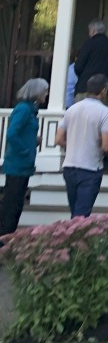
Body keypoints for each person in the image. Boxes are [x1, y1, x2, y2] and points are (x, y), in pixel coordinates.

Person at [55, 73, 108, 218]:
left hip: (69, 167)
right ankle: (75, 240)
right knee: (81, 217)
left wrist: (74, 144)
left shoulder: (72, 109)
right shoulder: (105, 112)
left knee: (75, 212)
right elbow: (106, 147)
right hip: (90, 168)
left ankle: (70, 239)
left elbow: (58, 139)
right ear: (104, 90)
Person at [0, 78, 47, 240]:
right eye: (44, 91)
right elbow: (12, 134)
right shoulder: (23, 109)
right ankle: (3, 240)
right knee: (11, 206)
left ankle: (7, 239)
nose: (46, 94)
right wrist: (26, 151)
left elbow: (22, 133)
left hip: (24, 165)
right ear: (36, 92)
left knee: (17, 205)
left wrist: (33, 141)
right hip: (17, 165)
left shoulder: (30, 110)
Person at [73, 19, 108, 99]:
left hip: (85, 90)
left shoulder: (88, 44)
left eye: (89, 30)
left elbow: (78, 67)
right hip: (105, 92)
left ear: (93, 30)